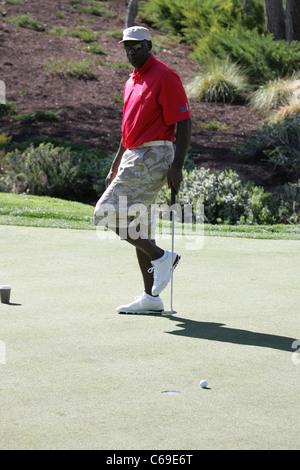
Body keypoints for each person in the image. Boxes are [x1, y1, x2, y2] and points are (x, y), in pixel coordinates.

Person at [94, 26, 192, 314]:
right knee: (138, 223)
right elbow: (128, 131)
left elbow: (184, 121)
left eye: (136, 46)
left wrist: (178, 165)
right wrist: (115, 164)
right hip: (133, 154)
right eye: (126, 46)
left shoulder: (165, 75)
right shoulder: (131, 82)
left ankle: (161, 258)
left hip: (155, 152)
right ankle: (151, 298)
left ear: (149, 45)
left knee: (105, 211)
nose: (131, 51)